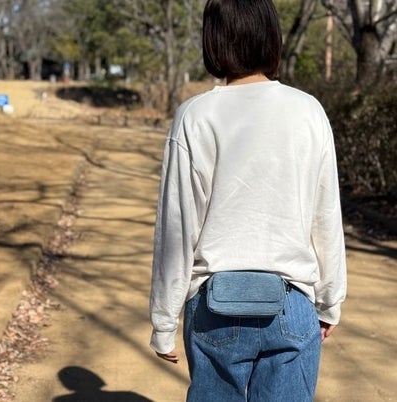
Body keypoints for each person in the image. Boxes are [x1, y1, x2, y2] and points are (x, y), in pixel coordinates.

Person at [148, 0, 347, 401]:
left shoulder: (195, 115)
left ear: (213, 40)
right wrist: (330, 301)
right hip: (292, 304)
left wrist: (163, 321)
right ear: (271, 36)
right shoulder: (308, 111)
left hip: (215, 308)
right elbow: (326, 216)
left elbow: (177, 228)